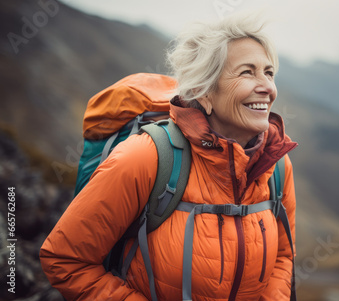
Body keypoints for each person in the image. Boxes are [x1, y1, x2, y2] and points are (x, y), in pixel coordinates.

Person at [40, 13, 298, 301]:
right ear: (204, 92)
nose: (267, 87)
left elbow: (283, 257)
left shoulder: (276, 167)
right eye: (247, 72)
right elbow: (64, 259)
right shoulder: (146, 156)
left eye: (269, 72)